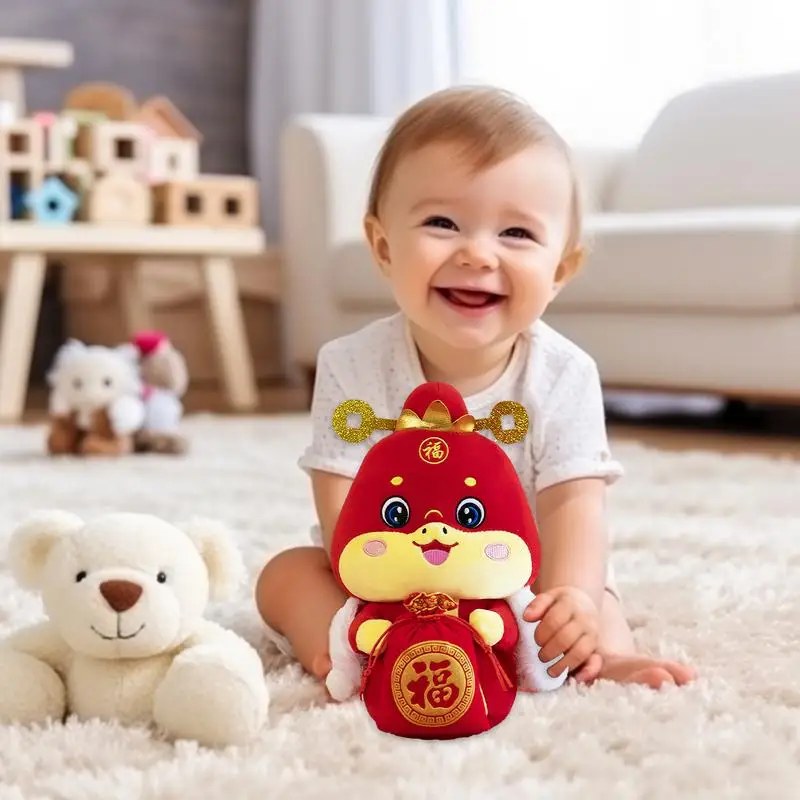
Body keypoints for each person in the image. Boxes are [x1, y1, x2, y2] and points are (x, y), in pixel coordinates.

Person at [256, 85, 696, 688]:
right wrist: (390, 592)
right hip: (385, 580)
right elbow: (341, 505)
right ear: (384, 247)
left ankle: (599, 660)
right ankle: (344, 656)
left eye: (516, 234)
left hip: (515, 579)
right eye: (442, 223)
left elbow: (574, 504)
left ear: (560, 269)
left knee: (588, 596)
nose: (477, 254)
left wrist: (572, 599)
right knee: (285, 575)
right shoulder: (349, 364)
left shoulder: (565, 374)